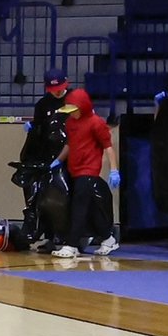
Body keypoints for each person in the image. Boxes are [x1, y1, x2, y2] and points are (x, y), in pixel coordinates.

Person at [57, 86, 117, 256]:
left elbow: (108, 147)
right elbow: (69, 144)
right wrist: (58, 160)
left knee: (79, 206)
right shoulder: (70, 123)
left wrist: (114, 170)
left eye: (74, 110)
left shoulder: (96, 123)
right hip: (74, 170)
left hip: (89, 171)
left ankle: (72, 244)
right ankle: (108, 238)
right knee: (90, 208)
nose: (71, 114)